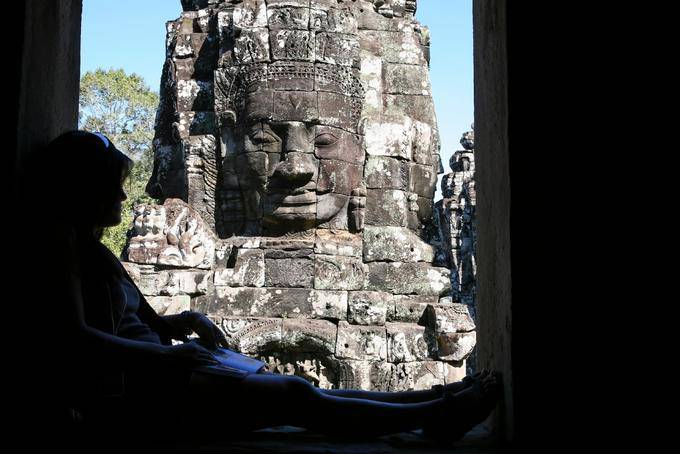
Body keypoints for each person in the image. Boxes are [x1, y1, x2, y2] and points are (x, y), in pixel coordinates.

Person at [27, 130, 500, 446]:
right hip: (142, 396)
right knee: (296, 395)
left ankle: (441, 402)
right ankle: (434, 414)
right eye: (113, 185)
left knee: (301, 393)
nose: (124, 196)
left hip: (166, 374)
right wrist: (166, 357)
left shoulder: (91, 247)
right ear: (84, 188)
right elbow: (71, 338)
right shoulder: (58, 242)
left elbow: (145, 321)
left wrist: (186, 320)